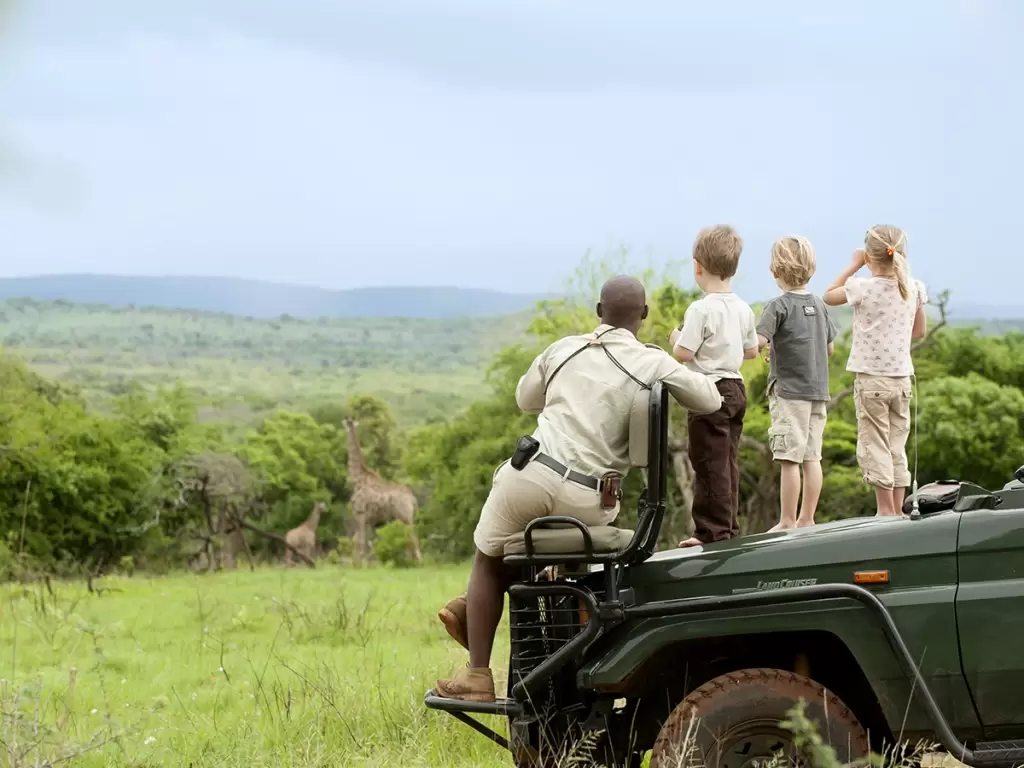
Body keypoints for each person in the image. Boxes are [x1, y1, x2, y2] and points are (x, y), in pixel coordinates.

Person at [433, 275, 723, 703]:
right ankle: (488, 614)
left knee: (488, 555)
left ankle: (478, 672)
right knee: (526, 546)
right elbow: (711, 401)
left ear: (598, 311)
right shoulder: (651, 360)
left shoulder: (565, 349)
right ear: (642, 316)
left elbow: (525, 399)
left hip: (531, 475)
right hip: (592, 499)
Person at [823, 224, 928, 516]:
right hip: (902, 379)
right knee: (897, 444)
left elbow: (828, 296)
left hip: (871, 379)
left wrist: (854, 265)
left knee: (875, 443)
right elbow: (919, 332)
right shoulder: (915, 288)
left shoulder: (862, 286)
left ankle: (884, 511)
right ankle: (897, 509)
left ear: (869, 257)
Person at [669, 225, 758, 548]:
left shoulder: (701, 309)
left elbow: (684, 353)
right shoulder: (743, 308)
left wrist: (675, 337)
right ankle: (728, 527)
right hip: (736, 388)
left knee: (708, 462)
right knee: (727, 460)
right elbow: (751, 351)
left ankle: (712, 533)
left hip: (709, 392)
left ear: (697, 266)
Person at [755, 235, 837, 530]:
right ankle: (807, 518)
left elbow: (758, 341)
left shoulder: (776, 306)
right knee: (812, 457)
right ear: (811, 269)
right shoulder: (819, 304)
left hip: (789, 393)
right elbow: (828, 348)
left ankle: (787, 520)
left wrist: (761, 345)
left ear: (774, 270)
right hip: (818, 392)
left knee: (789, 458)